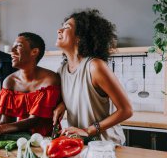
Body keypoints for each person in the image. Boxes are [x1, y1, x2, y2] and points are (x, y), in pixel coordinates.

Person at [53, 9, 133, 145]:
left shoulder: (95, 66)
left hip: (106, 145)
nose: (59, 30)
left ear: (79, 37)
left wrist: (89, 130)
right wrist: (63, 105)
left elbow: (126, 110)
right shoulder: (61, 71)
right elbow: (76, 96)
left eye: (67, 27)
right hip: (81, 144)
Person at [0, 32, 61, 151]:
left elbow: (35, 120)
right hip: (19, 142)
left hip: (46, 142)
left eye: (18, 46)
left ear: (34, 52)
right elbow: (5, 121)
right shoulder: (9, 82)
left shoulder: (50, 80)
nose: (12, 50)